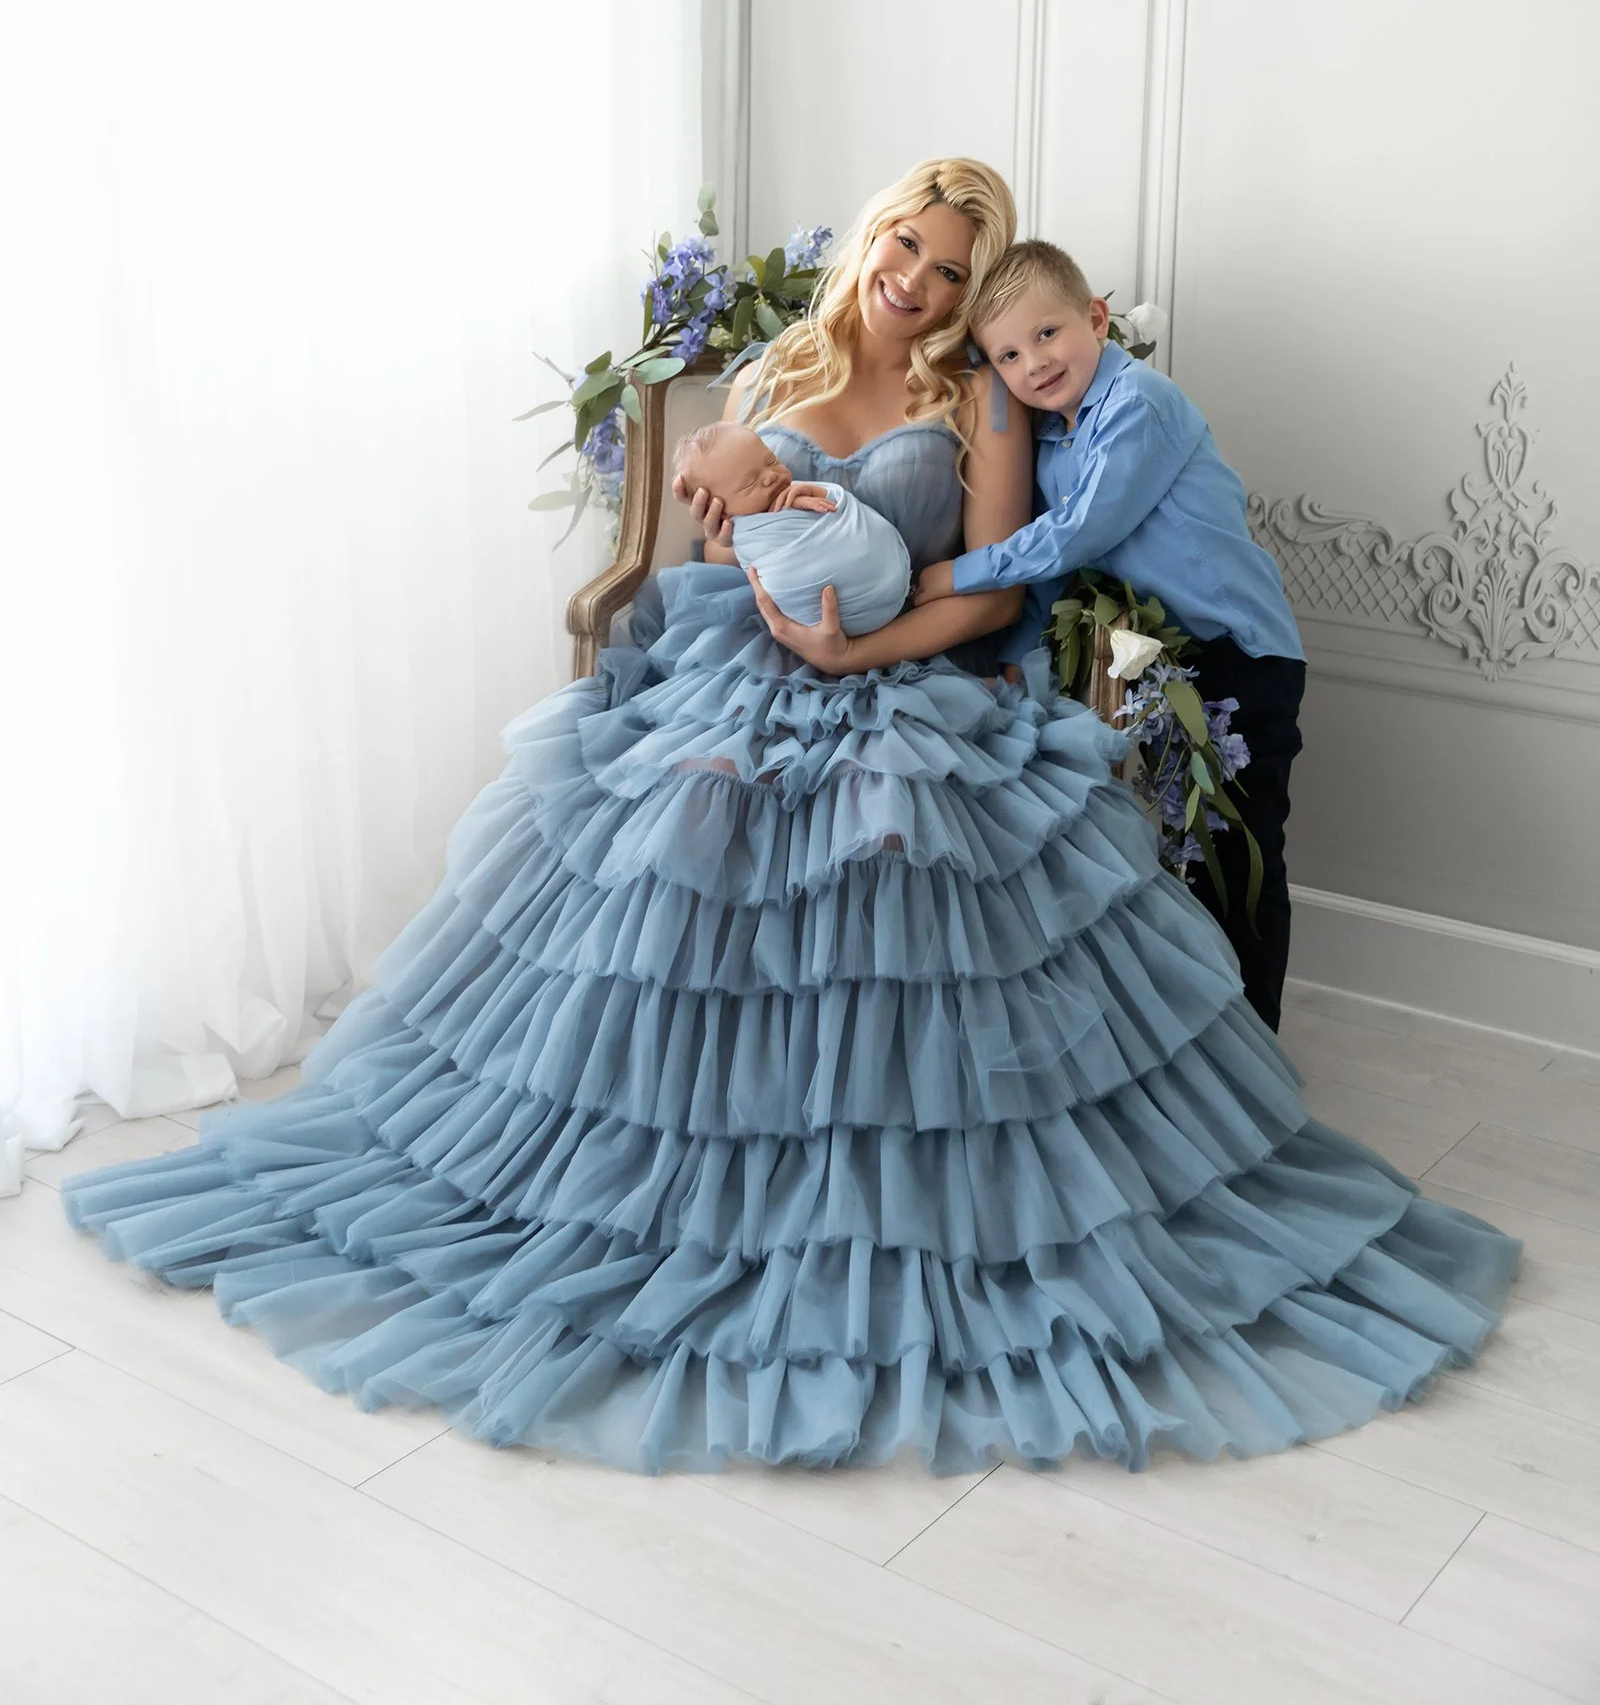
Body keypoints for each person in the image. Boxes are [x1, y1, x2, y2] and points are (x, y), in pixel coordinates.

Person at [61, 160, 1518, 1475]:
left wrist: (852, 656)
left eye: (956, 269)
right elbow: (733, 522)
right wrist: (762, 577)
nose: (924, 280)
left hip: (908, 675)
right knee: (673, 844)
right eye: (911, 244)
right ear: (874, 235)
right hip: (747, 668)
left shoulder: (987, 396)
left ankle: (887, 1198)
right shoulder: (776, 366)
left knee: (898, 858)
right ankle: (645, 1177)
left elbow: (1000, 585)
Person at [914, 239, 1306, 1031]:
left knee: (1238, 851)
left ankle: (1257, 1038)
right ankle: (1197, 1034)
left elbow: (1077, 536)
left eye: (1049, 334)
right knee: (1173, 853)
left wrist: (951, 574)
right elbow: (1056, 583)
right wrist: (1005, 668)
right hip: (1161, 664)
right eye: (1011, 355)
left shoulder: (1140, 405)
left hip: (1240, 655)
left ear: (1096, 317)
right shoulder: (1053, 439)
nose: (1034, 363)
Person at [672, 421, 910, 638]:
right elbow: (751, 560)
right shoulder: (743, 531)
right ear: (721, 509)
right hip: (811, 630)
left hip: (900, 603)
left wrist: (817, 496)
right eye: (749, 483)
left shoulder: (794, 494)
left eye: (772, 461)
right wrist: (725, 540)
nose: (770, 477)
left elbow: (835, 508)